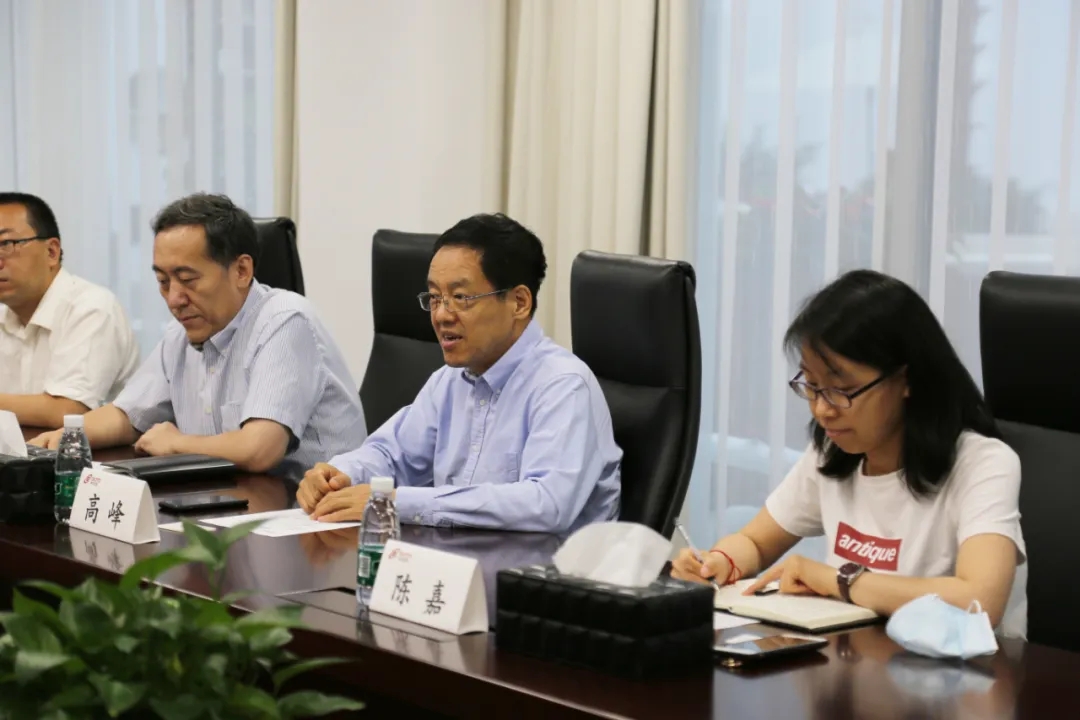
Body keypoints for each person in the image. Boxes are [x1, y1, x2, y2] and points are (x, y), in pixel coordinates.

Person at [671, 269, 1026, 636]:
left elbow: (980, 601)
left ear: (907, 380)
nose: (822, 409)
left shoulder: (982, 463)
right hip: (857, 660)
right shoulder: (833, 451)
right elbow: (755, 542)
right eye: (812, 385)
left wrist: (840, 580)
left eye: (841, 390)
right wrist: (719, 562)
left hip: (956, 667)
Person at [295, 213, 621, 532]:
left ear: (519, 302)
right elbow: (391, 454)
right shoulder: (450, 381)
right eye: (435, 297)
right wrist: (339, 474)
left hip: (542, 565)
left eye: (460, 297)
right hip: (459, 558)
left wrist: (397, 502)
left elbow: (545, 504)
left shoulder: (563, 385)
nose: (441, 315)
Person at [31, 193, 367, 479]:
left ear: (241, 270)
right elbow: (128, 416)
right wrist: (66, 437)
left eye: (188, 279)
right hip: (228, 498)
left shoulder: (285, 322)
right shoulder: (181, 334)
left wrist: (178, 443)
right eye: (163, 282)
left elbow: (260, 448)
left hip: (307, 514)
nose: (174, 299)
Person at [0, 192, 139, 427]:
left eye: (6, 244)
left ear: (51, 252)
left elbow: (67, 411)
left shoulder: (92, 308)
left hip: (92, 451)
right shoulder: (6, 316)